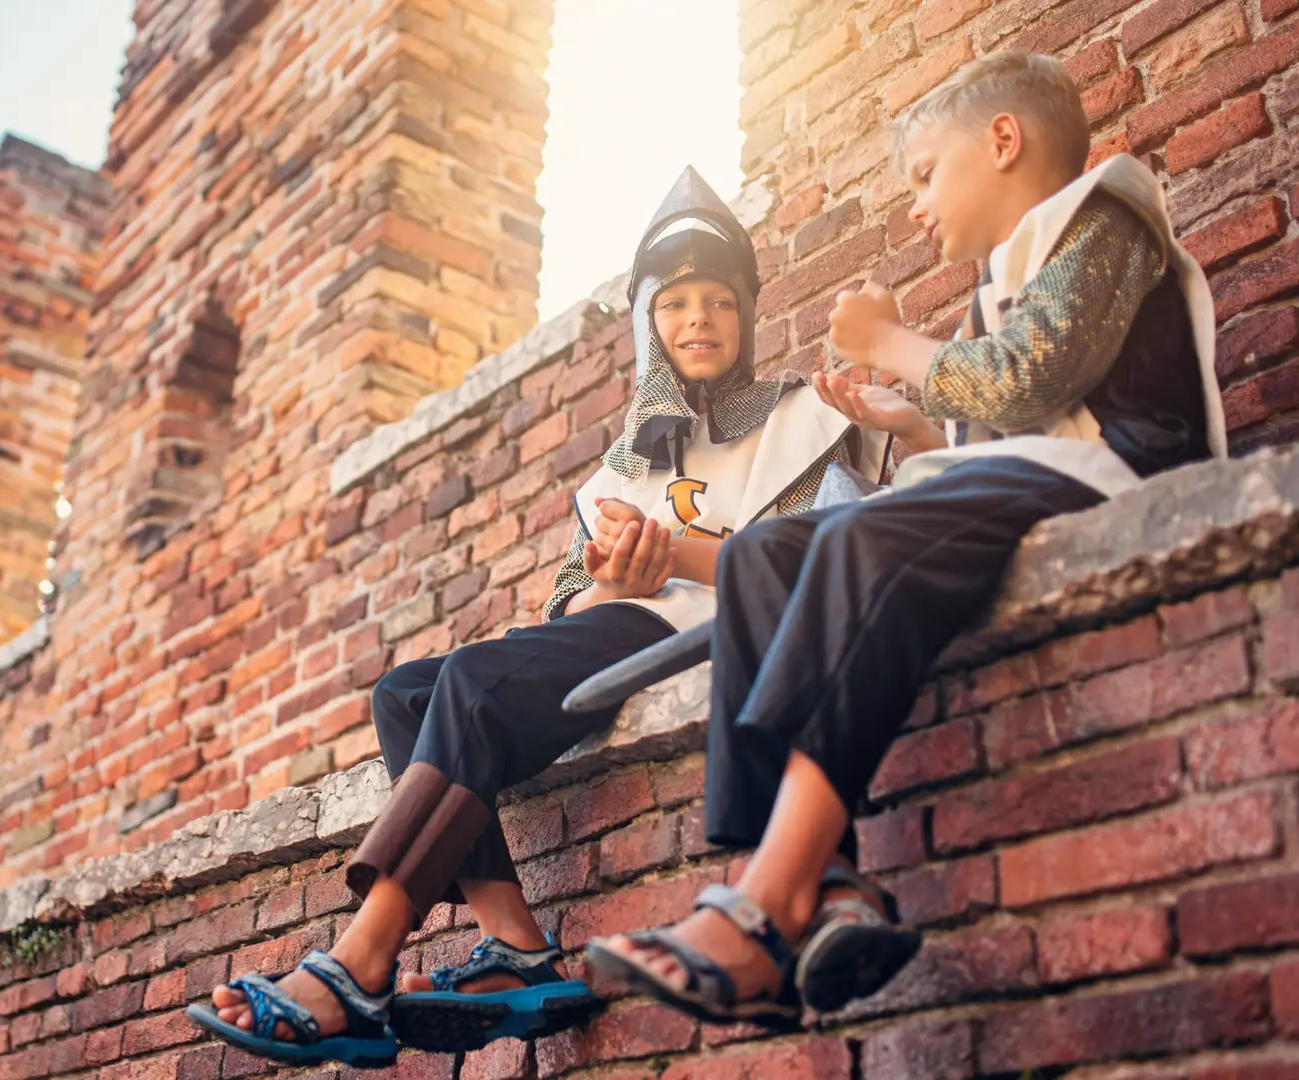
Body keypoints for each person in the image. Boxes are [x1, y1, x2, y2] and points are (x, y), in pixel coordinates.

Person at [184, 167, 906, 1065]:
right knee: (408, 694)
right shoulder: (613, 474)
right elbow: (571, 613)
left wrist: (672, 557)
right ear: (649, 321)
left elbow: (813, 572)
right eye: (676, 303)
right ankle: (517, 946)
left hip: (721, 630)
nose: (699, 319)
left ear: (746, 315)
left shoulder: (802, 419)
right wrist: (615, 576)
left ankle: (360, 956)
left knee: (476, 682)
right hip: (628, 633)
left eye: (720, 301)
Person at [587, 51, 1226, 1029]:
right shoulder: (1004, 276)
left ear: (1002, 141)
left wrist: (891, 344)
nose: (918, 207)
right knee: (766, 552)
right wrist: (912, 418)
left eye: (926, 174)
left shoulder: (1105, 213)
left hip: (1128, 473)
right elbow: (1005, 429)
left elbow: (1025, 380)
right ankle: (829, 885)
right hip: (1038, 478)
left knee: (858, 539)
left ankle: (769, 901)